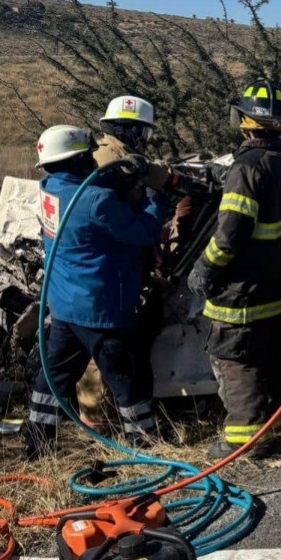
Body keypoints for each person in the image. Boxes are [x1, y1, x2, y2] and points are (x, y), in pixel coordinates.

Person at [23, 125, 169, 459]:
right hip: (101, 310)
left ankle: (36, 446)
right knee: (126, 381)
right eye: (87, 156)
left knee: (54, 379)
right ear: (76, 162)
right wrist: (157, 196)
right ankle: (143, 448)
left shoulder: (50, 188)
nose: (92, 160)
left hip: (63, 305)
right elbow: (145, 231)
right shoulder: (96, 200)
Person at [187, 78, 281, 460]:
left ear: (247, 122)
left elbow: (230, 234)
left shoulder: (247, 168)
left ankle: (244, 441)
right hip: (274, 280)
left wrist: (204, 268)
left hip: (242, 288)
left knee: (236, 359)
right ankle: (269, 423)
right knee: (263, 354)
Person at [74, 96, 169, 434]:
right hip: (111, 266)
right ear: (134, 130)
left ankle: (100, 417)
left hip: (96, 265)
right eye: (143, 132)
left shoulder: (102, 152)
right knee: (108, 350)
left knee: (103, 347)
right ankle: (102, 424)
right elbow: (131, 220)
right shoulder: (117, 163)